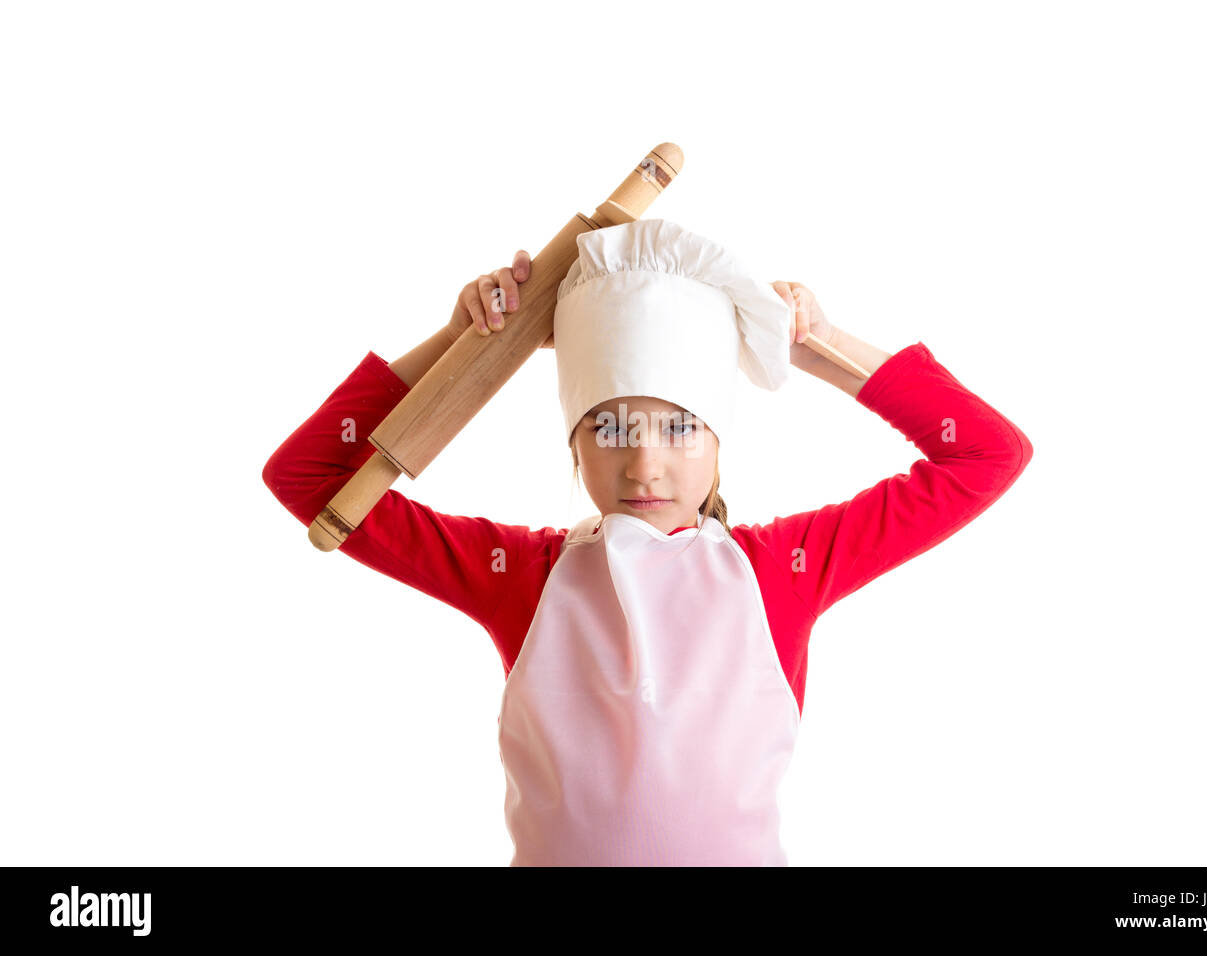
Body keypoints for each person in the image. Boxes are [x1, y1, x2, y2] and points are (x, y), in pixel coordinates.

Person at [262, 219, 1033, 866]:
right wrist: (464, 347)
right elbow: (307, 477)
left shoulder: (781, 573)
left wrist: (822, 346)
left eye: (678, 426)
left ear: (719, 440)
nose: (644, 462)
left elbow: (987, 453)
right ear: (573, 445)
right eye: (608, 426)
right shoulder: (521, 578)